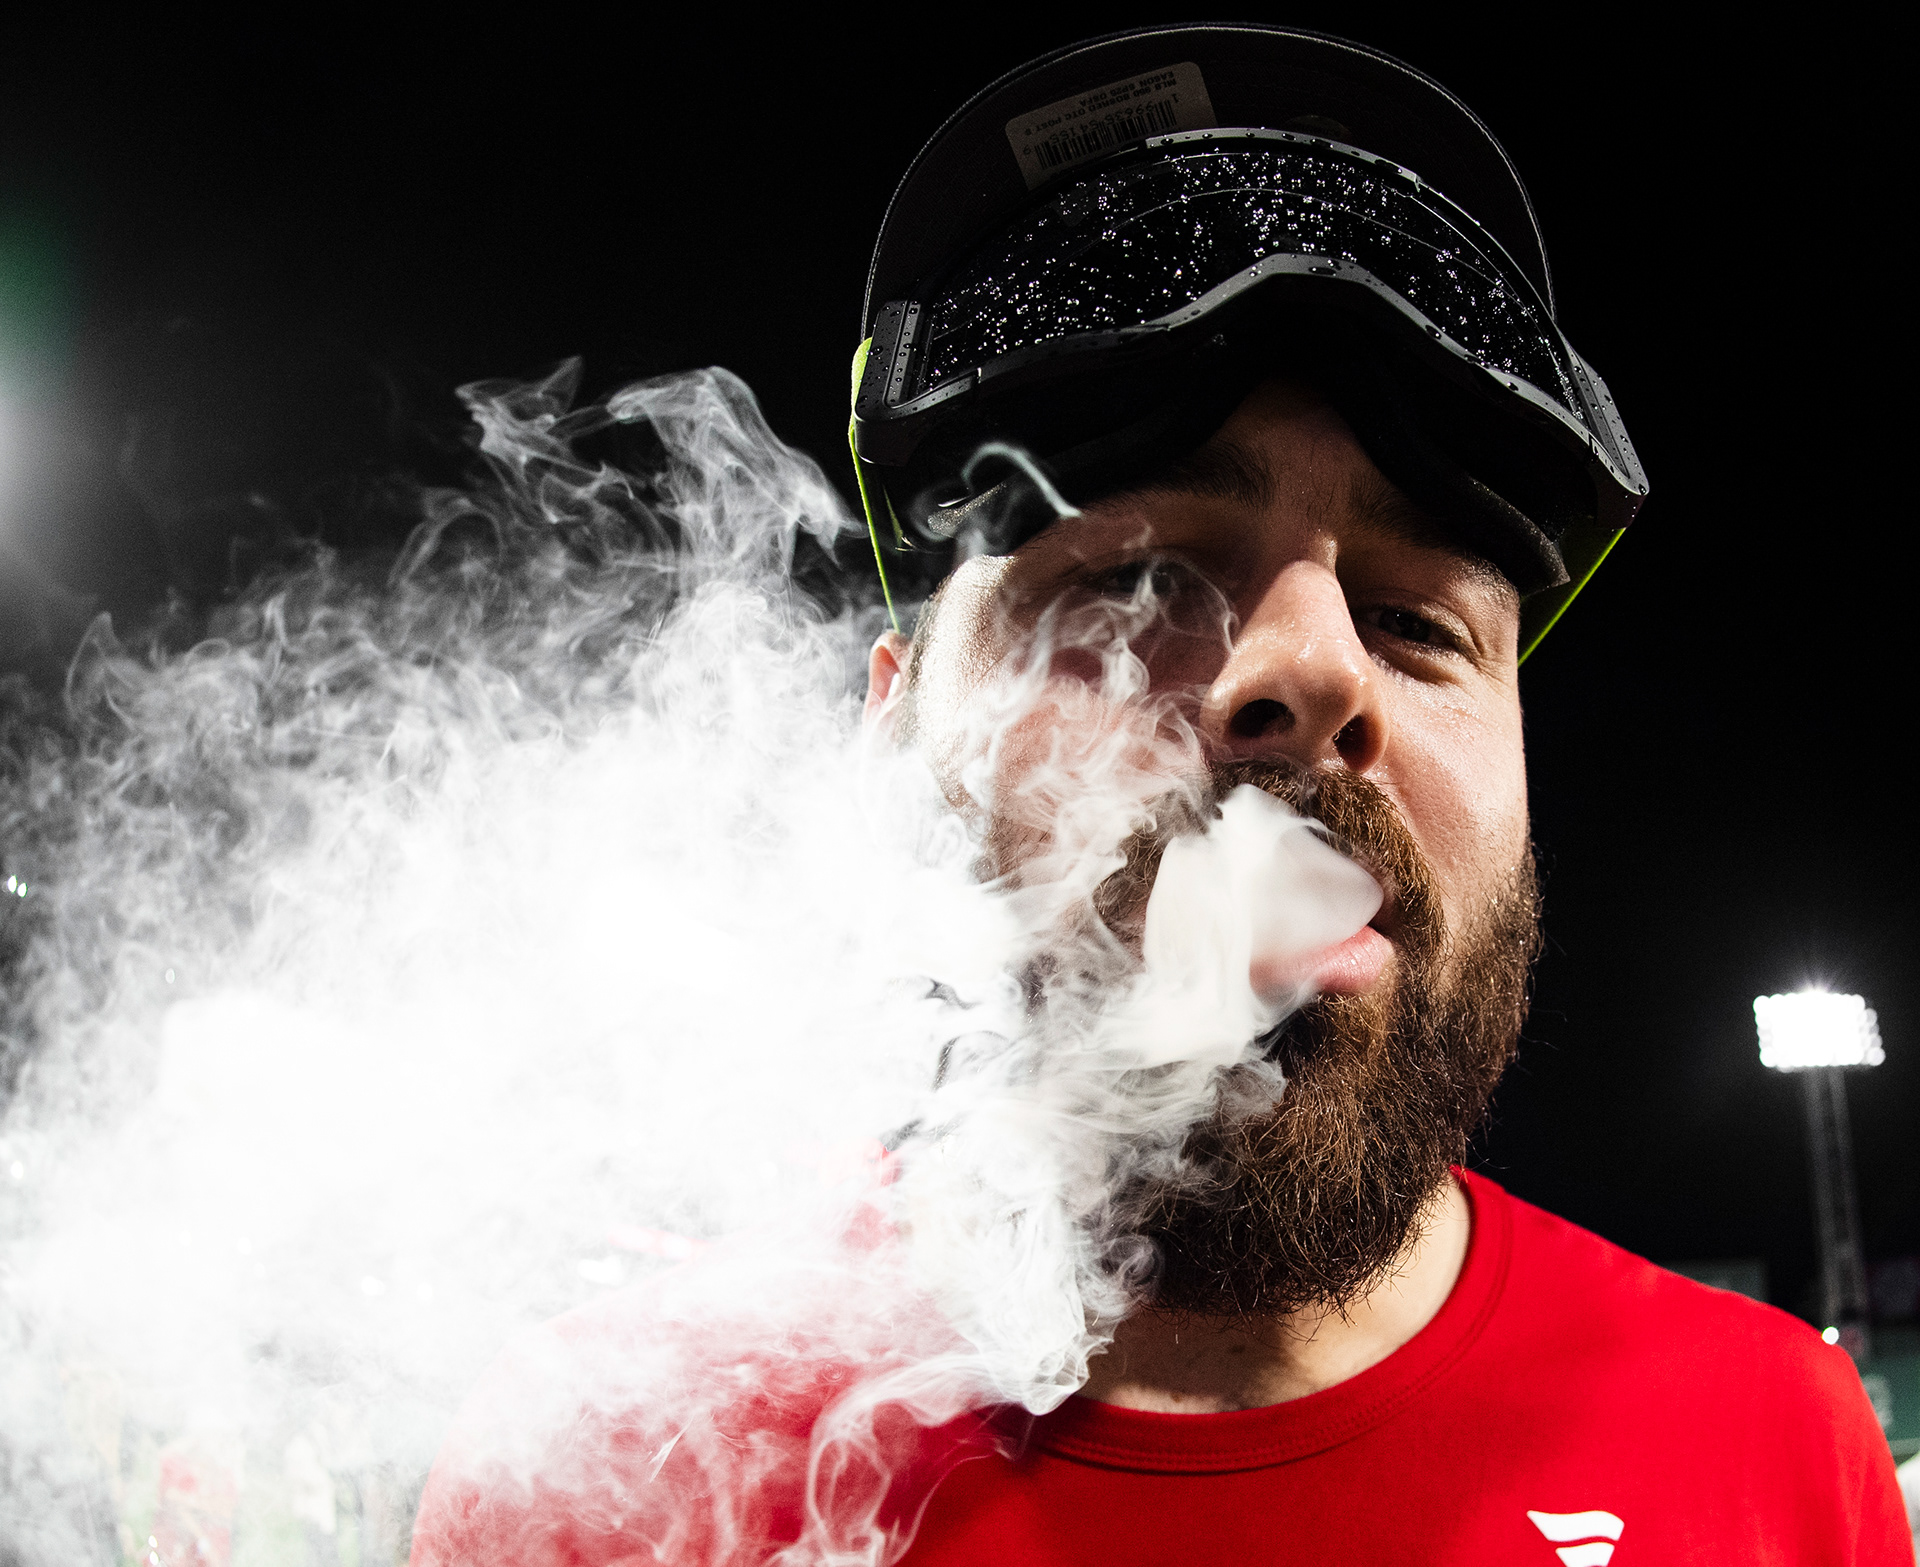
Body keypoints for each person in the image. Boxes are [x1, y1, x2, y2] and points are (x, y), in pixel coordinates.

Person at [411, 25, 1909, 1564]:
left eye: (1416, 622)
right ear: (896, 735)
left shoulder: (1771, 1440)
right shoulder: (610, 1476)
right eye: (1133, 583)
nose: (1315, 672)